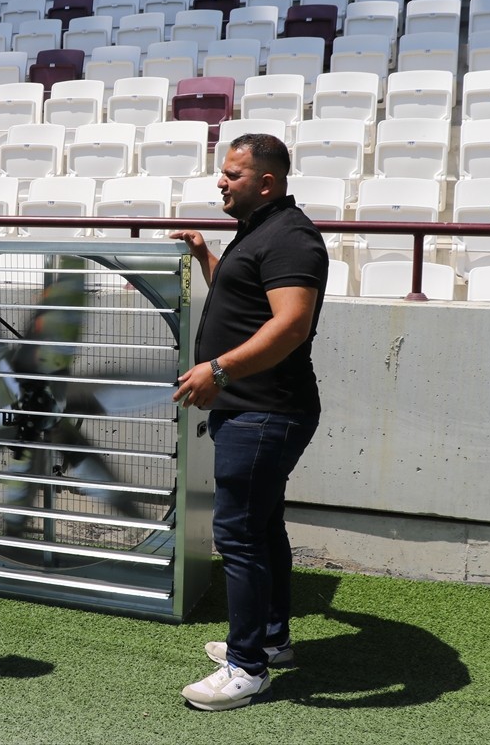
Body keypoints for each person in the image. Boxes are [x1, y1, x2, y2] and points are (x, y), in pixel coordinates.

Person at [169, 133, 329, 711]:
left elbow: (290, 325)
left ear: (266, 182)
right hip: (254, 410)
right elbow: (245, 301)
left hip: (266, 412)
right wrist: (207, 256)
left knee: (237, 534)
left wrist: (219, 370)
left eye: (232, 175)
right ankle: (272, 639)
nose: (220, 182)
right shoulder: (260, 231)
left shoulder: (291, 238)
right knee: (261, 529)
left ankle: (246, 668)